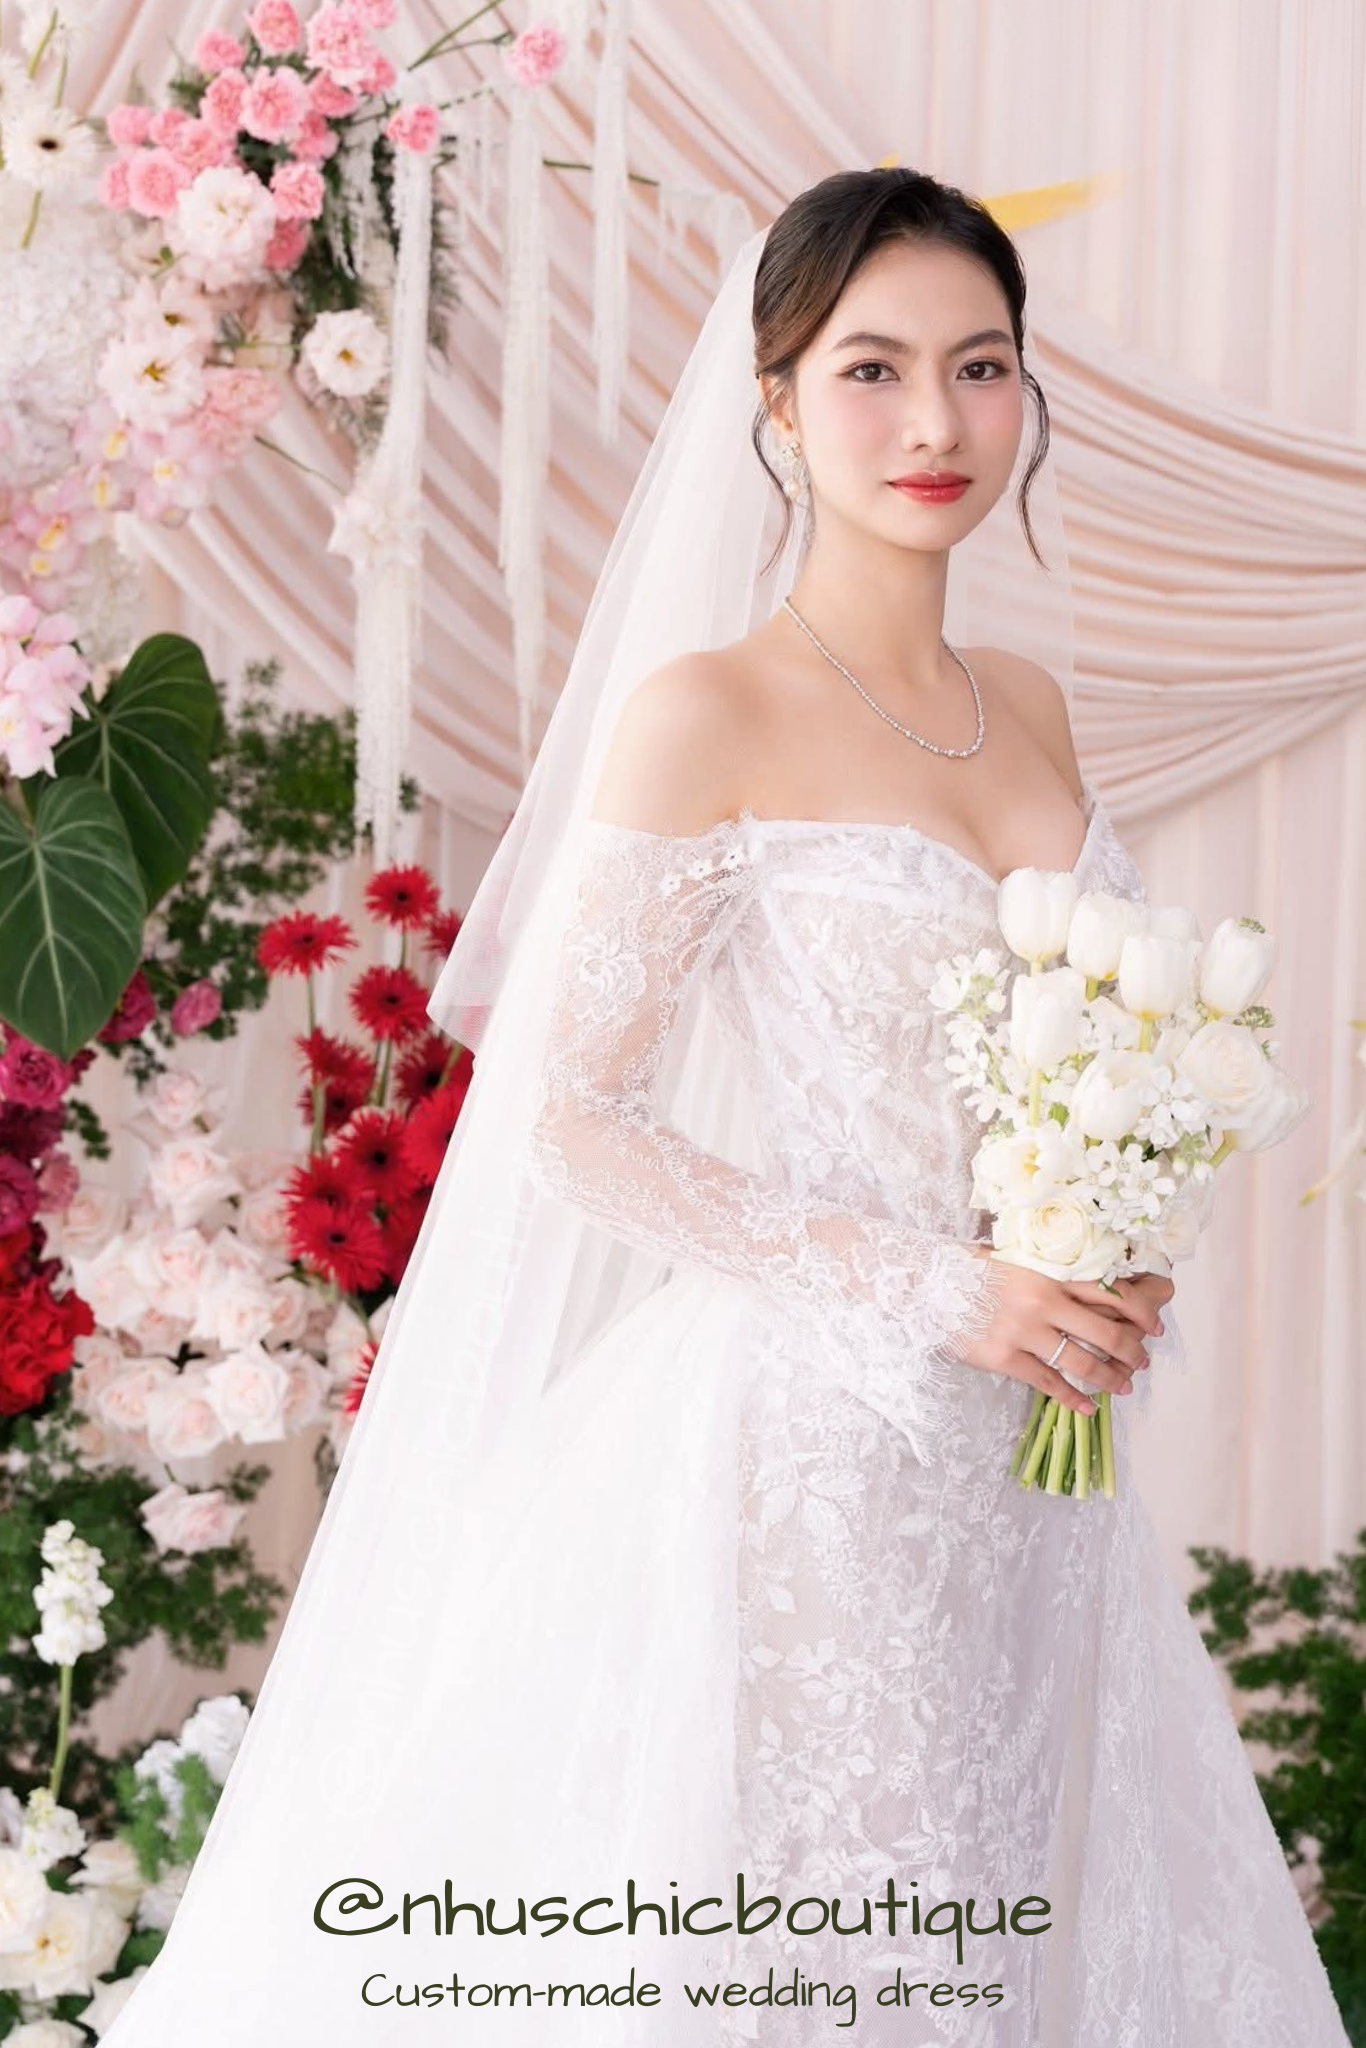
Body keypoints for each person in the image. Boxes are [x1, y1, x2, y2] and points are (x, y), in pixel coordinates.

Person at [104, 170, 1351, 2046]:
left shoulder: (1026, 702)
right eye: (869, 369)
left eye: (978, 365)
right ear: (772, 403)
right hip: (816, 1456)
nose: (933, 424)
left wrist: (1094, 1246)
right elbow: (572, 1115)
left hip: (1033, 1471)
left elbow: (1078, 1055)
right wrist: (946, 1290)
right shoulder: (708, 711)